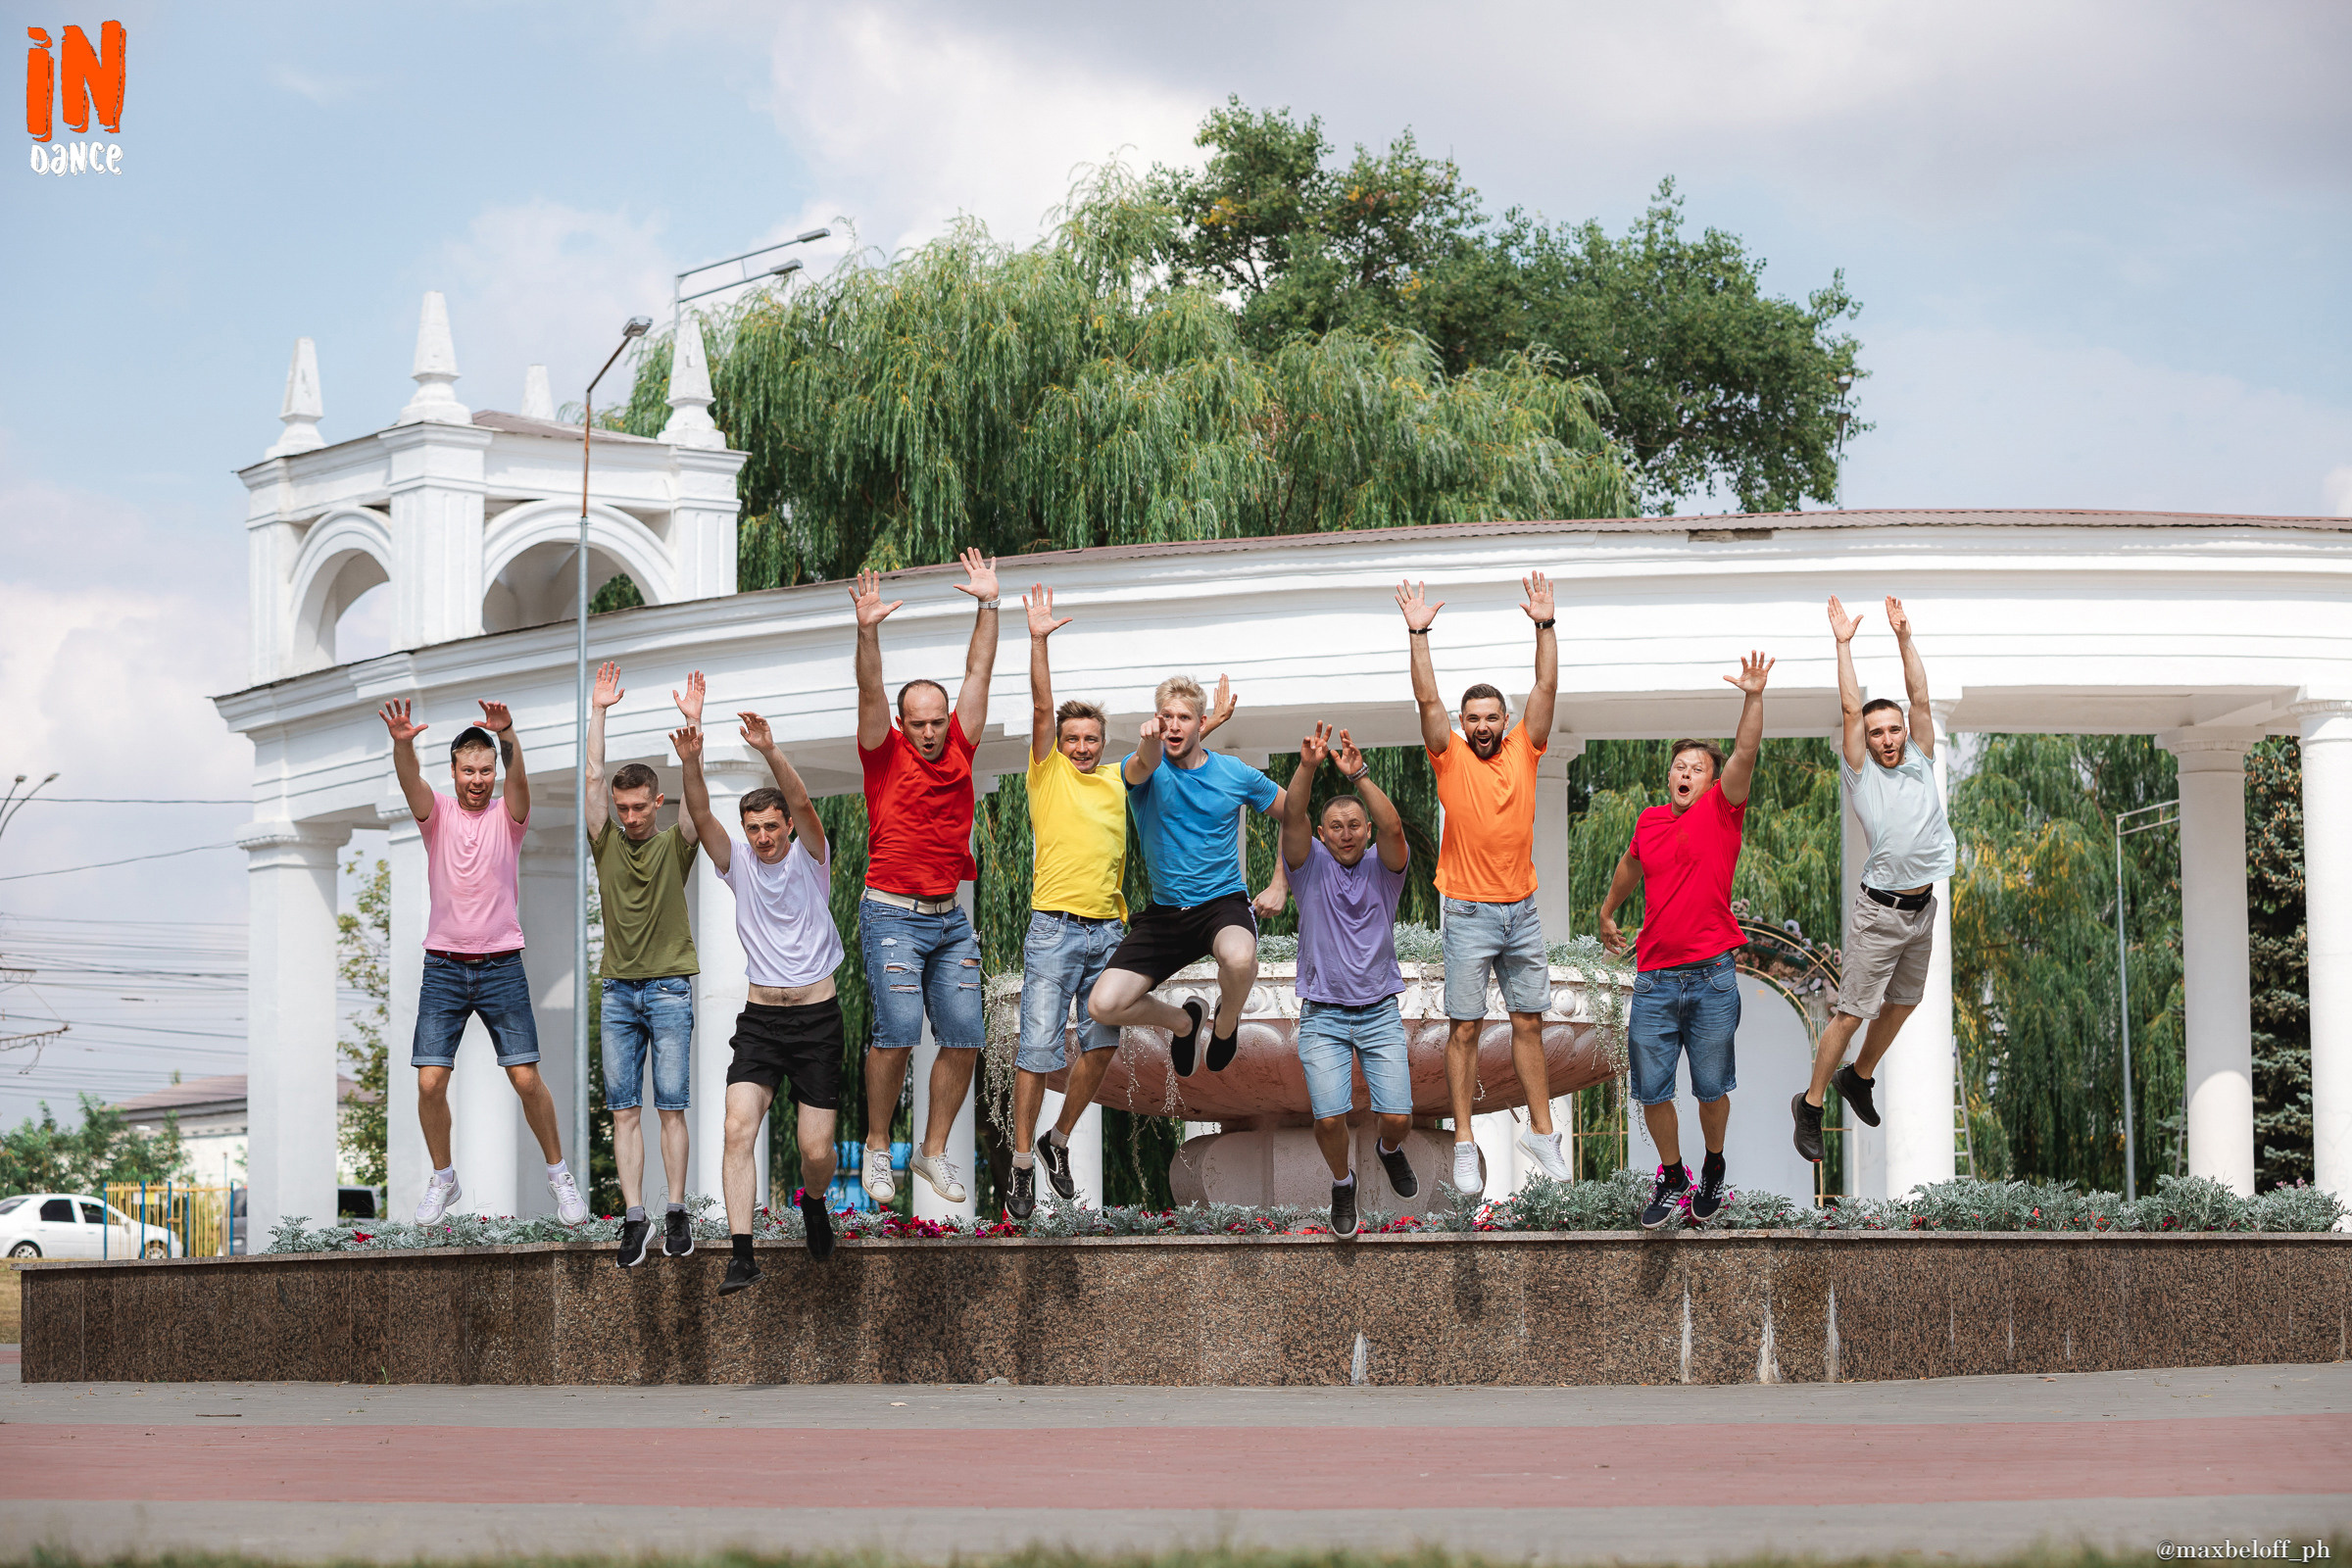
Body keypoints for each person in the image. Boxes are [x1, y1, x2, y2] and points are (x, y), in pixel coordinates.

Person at [1004, 583, 1233, 1219]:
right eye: (1072, 738)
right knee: (1037, 1051)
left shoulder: (1120, 779)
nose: (1080, 747)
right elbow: (1042, 705)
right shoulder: (1046, 773)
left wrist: (1198, 726)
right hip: (1053, 930)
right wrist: (1039, 639)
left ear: (1102, 742)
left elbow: (1154, 756)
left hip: (1108, 930)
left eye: (1089, 739)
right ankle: (1023, 1162)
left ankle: (1059, 1139)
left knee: (1101, 1045)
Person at [378, 697, 587, 1227]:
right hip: (444, 968)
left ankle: (560, 1174)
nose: (478, 779)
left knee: (523, 1077)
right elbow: (410, 783)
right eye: (468, 771)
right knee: (428, 1082)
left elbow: (520, 782)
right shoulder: (437, 815)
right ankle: (443, 1178)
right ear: (453, 773)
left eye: (485, 770)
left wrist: (508, 733)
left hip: (500, 967)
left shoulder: (508, 817)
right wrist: (403, 745)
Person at [1397, 573, 1569, 1198]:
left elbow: (1546, 686)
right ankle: (1465, 1141)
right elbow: (1426, 702)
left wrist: (1544, 626)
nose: (1483, 725)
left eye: (1492, 716)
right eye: (1474, 718)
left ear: (1506, 720)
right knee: (1465, 1028)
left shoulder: (1527, 747)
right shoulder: (1450, 755)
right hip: (1468, 914)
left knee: (1530, 1023)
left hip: (1520, 912)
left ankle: (1542, 1134)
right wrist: (1419, 634)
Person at [1596, 652, 1774, 1229]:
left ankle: (1714, 1167)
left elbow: (1744, 752)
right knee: (1651, 1091)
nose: (1684, 773)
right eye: (1678, 766)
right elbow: (1630, 865)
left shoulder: (1723, 811)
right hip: (1654, 978)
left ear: (1712, 778)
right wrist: (1607, 911)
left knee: (1710, 1088)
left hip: (1712, 976)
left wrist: (1752, 698)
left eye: (1696, 767)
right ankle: (1674, 1176)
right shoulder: (1649, 820)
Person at [676, 710, 845, 1295]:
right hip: (761, 1021)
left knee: (815, 1150)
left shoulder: (811, 858)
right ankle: (742, 1254)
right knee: (735, 1130)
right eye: (754, 828)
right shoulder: (738, 864)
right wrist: (692, 760)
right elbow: (700, 817)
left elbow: (803, 803)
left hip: (817, 1019)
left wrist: (771, 750)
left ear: (787, 828)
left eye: (772, 826)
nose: (764, 836)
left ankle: (815, 1201)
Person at [853, 549, 999, 1208]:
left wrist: (988, 605)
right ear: (903, 725)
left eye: (940, 721)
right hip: (890, 913)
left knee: (966, 1034)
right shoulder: (884, 755)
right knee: (899, 1030)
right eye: (922, 724)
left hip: (947, 916)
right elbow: (869, 690)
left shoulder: (962, 744)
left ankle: (933, 1151)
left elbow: (978, 668)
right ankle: (880, 1147)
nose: (935, 732)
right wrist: (867, 630)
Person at [1792, 597, 1955, 1165]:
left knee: (1905, 1003)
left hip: (1922, 910)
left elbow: (1921, 697)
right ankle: (1810, 1104)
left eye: (1893, 731)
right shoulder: (1862, 775)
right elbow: (1847, 706)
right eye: (1876, 732)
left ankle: (1858, 1077)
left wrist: (1904, 637)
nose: (1886, 739)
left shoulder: (1921, 759)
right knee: (1853, 1010)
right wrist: (1844, 644)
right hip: (1880, 913)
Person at [1087, 676, 1283, 1076]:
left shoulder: (1235, 774)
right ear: (1156, 721)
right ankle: (1185, 1023)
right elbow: (1146, 763)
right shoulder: (1142, 769)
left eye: (1184, 718)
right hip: (1165, 914)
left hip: (1222, 904)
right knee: (1102, 1005)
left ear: (1201, 722)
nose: (1174, 725)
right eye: (1166, 717)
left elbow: (1295, 813)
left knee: (1240, 958)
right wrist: (1148, 741)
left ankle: (1225, 1025)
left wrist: (1281, 883)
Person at [584, 661, 703, 1269]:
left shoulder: (673, 842)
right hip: (617, 994)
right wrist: (600, 709)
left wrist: (693, 733)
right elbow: (592, 773)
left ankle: (676, 1210)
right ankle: (635, 1216)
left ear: (656, 802)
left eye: (639, 807)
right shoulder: (603, 840)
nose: (630, 817)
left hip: (668, 990)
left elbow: (697, 806)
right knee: (623, 1109)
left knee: (671, 1105)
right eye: (622, 808)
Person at [1278, 722, 1416, 1240]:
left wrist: (1358, 776)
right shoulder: (1307, 867)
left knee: (1398, 1117)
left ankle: (1388, 1149)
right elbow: (1293, 815)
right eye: (1335, 825)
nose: (1346, 832)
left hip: (1379, 1010)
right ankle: (1343, 1181)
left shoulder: (1386, 868)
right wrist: (1308, 767)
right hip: (1323, 1015)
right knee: (1330, 1118)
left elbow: (1395, 827)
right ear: (1322, 834)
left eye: (1355, 824)